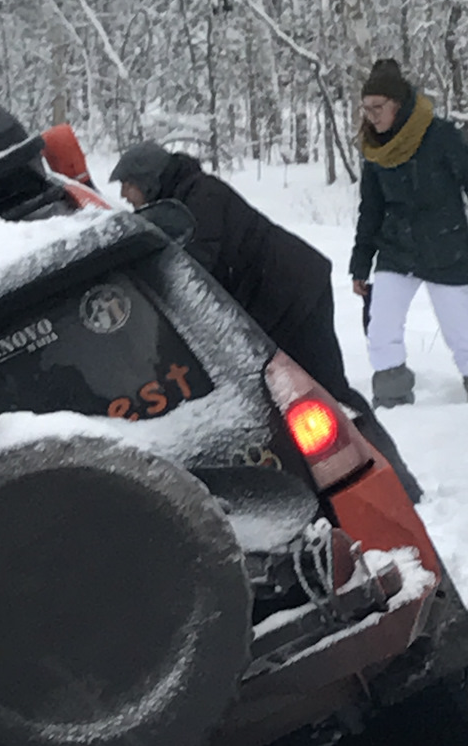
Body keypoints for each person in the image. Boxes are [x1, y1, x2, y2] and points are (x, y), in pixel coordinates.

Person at [110, 141, 421, 502]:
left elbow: (196, 265)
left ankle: (398, 484)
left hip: (296, 298)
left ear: (148, 180)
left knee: (331, 393)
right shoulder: (183, 200)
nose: (123, 194)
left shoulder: (201, 199)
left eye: (127, 184)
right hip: (278, 302)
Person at [350, 58, 468, 408]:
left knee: (461, 334)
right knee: (381, 329)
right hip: (396, 250)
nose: (371, 116)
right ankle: (393, 402)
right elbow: (370, 209)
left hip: (447, 249)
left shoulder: (441, 136)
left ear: (398, 105)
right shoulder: (374, 150)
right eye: (366, 108)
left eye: (378, 107)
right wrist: (360, 264)